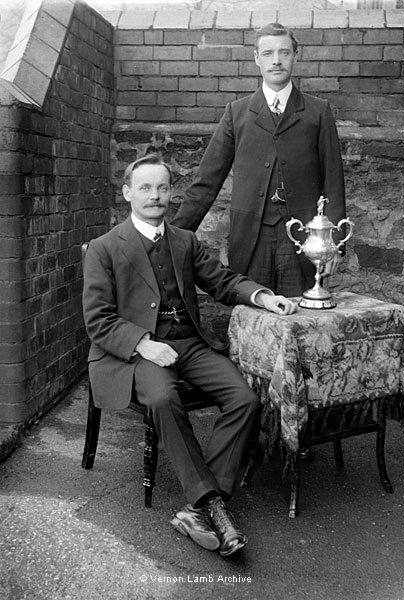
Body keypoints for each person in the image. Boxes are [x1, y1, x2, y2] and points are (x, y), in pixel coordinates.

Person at [82, 155, 297, 558]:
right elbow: (97, 319)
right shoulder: (104, 248)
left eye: (162, 188)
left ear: (170, 193)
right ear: (127, 193)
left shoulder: (184, 241)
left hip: (190, 344)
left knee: (244, 399)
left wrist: (263, 297)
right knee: (163, 398)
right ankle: (214, 508)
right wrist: (142, 343)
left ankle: (196, 509)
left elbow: (222, 281)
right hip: (137, 352)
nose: (155, 196)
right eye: (145, 188)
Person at [172, 22, 346, 297]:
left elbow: (333, 182)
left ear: (296, 55)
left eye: (284, 52)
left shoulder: (318, 112)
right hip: (250, 241)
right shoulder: (237, 113)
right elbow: (206, 181)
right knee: (252, 313)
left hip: (302, 242)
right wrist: (172, 237)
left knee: (301, 315)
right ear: (256, 58)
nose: (276, 61)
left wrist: (333, 243)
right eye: (268, 53)